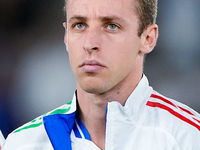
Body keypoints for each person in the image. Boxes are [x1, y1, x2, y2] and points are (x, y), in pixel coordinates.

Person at [2, 0, 200, 149]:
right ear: (66, 36)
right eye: (79, 25)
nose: (90, 43)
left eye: (111, 26)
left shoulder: (188, 138)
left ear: (148, 38)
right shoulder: (24, 143)